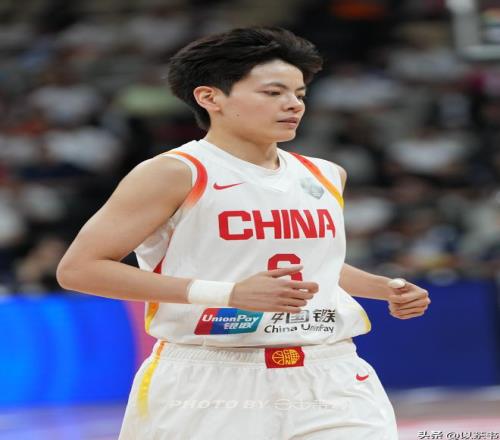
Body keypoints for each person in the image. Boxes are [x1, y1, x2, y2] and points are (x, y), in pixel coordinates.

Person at [56, 27, 431, 440]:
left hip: (331, 373)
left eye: (300, 94)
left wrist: (383, 288)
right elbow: (79, 270)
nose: (293, 104)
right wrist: (229, 294)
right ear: (210, 97)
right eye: (273, 93)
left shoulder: (326, 174)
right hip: (210, 377)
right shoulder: (175, 172)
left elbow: (317, 266)